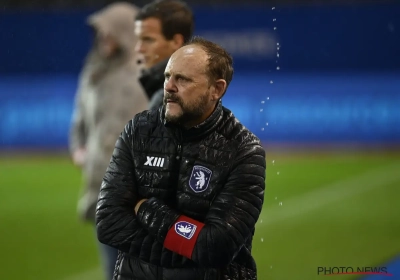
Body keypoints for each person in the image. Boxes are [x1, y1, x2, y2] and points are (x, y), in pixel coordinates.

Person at [96, 36, 266, 280]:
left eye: (182, 79)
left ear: (216, 90)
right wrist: (189, 250)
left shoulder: (243, 151)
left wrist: (144, 208)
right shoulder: (138, 131)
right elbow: (108, 222)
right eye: (167, 76)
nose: (169, 87)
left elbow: (216, 247)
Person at [69, 2, 148, 279]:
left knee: (137, 268)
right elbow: (80, 117)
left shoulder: (145, 71)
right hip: (99, 183)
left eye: (109, 32)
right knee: (112, 269)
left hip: (136, 189)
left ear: (126, 33)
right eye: (100, 33)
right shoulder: (93, 69)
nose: (104, 39)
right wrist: (79, 148)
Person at [135, 0, 194, 110]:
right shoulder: (195, 85)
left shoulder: (169, 99)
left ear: (176, 42)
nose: (139, 49)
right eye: (138, 39)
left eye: (148, 40)